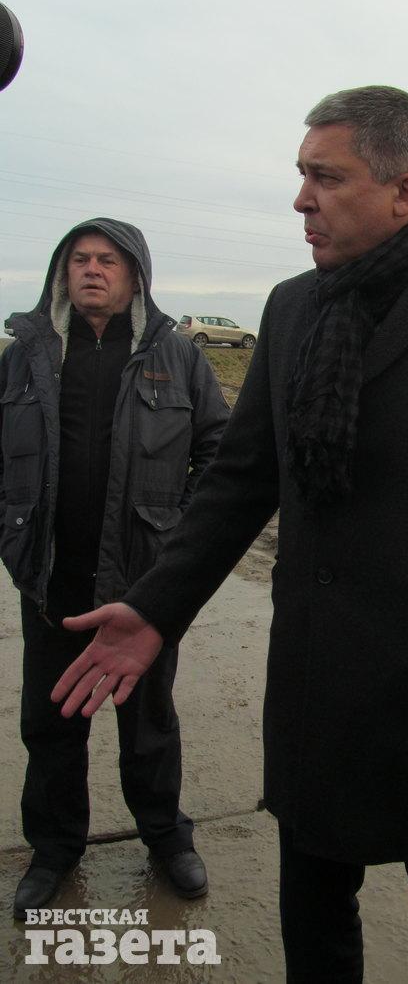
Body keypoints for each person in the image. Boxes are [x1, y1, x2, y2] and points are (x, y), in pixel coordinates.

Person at [52, 90, 408, 982]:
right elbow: (241, 482)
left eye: (326, 177)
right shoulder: (293, 308)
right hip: (315, 693)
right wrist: (155, 607)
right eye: (301, 175)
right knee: (315, 942)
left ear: (404, 190)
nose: (301, 200)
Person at [0, 218, 230, 919]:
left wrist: (176, 541)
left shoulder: (176, 354)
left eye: (107, 260)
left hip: (143, 585)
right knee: (51, 722)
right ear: (61, 272)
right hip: (52, 581)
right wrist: (13, 533)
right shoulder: (25, 355)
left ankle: (165, 836)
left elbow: (219, 452)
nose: (92, 269)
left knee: (149, 721)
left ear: (136, 275)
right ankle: (54, 849)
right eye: (79, 259)